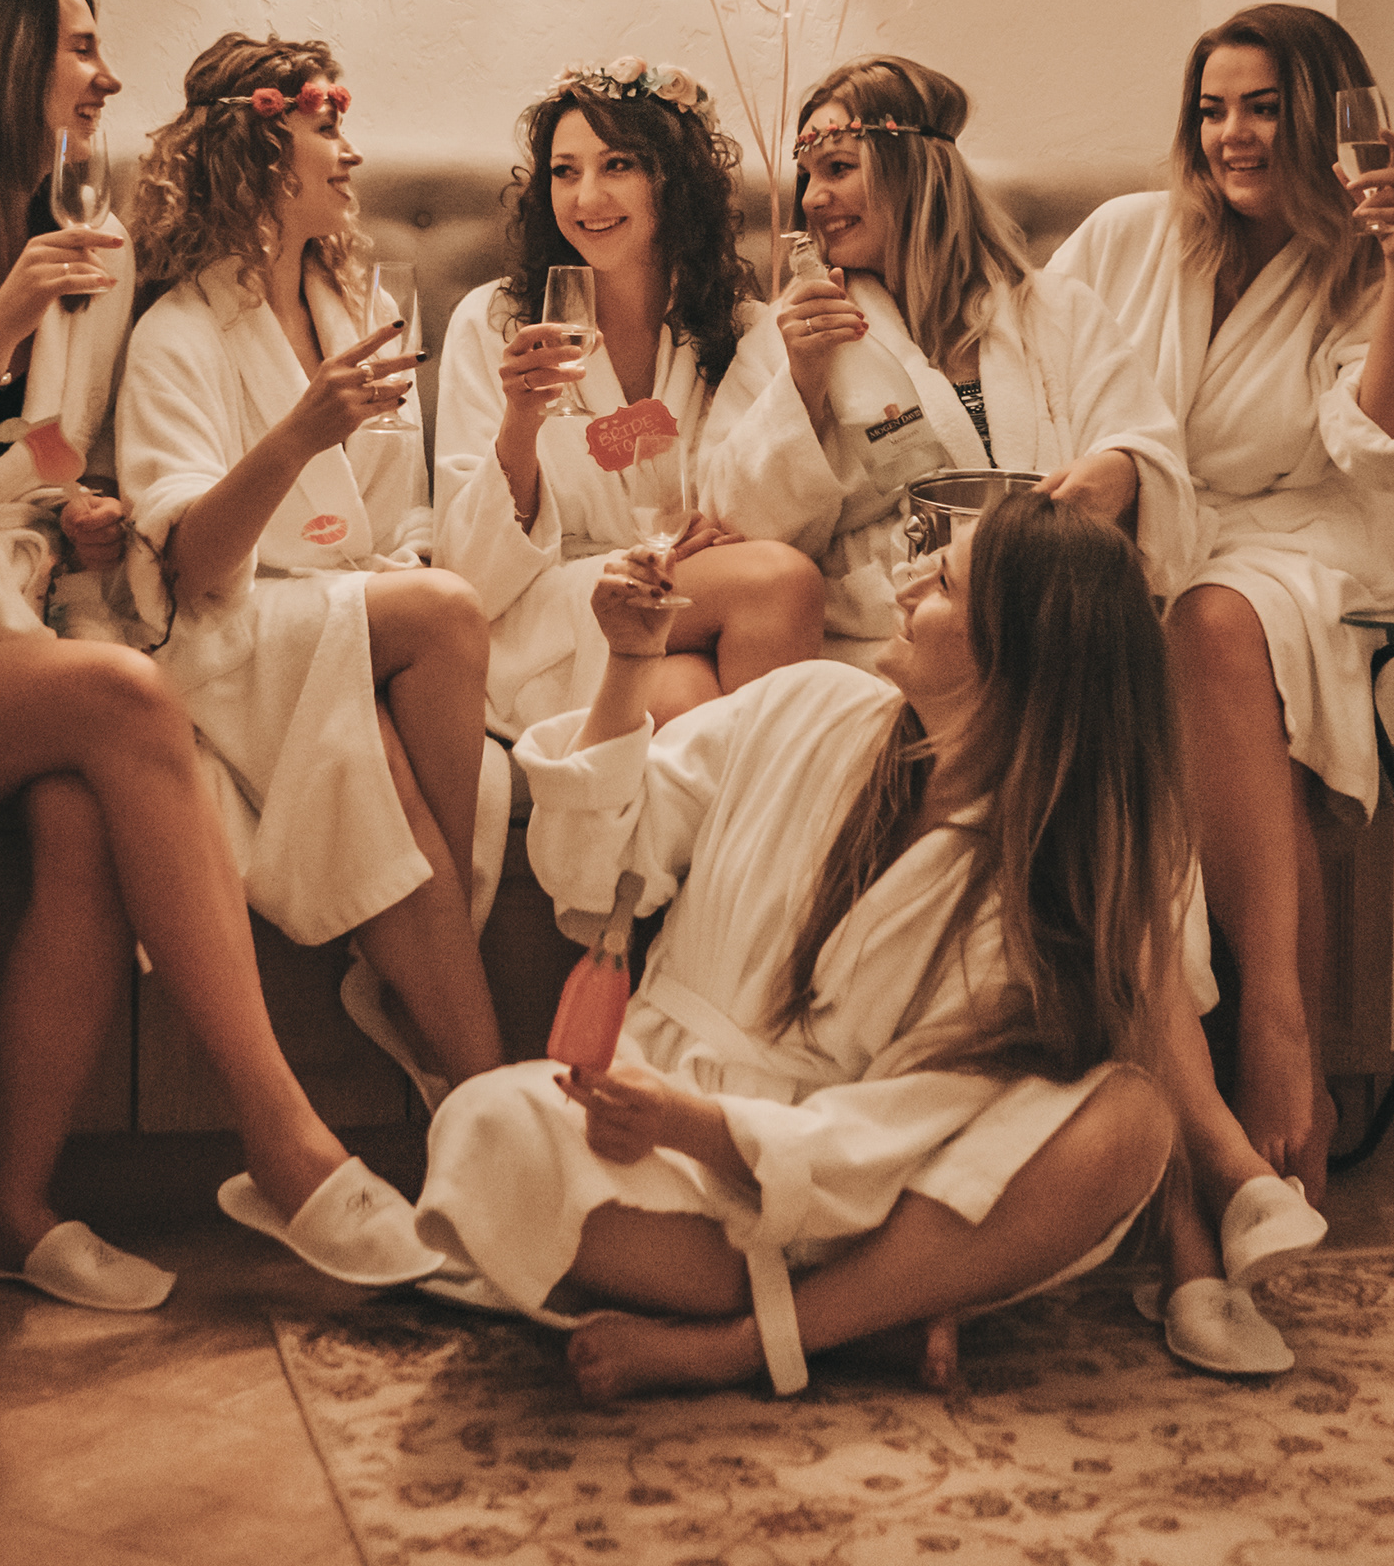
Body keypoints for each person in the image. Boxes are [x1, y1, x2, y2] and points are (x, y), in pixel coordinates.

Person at [0, 0, 448, 1311]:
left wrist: (78, 513)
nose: (108, 75)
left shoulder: (92, 252)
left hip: (17, 617)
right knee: (131, 706)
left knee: (84, 820)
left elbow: (52, 462)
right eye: (81, 48)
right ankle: (288, 1146)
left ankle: (10, 1210)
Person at [413, 494, 1307, 1401]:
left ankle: (745, 1344)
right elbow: (588, 873)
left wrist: (705, 1129)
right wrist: (629, 663)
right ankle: (872, 1315)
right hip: (675, 1148)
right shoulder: (807, 701)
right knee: (483, 1131)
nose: (907, 586)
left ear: (1012, 651)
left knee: (1129, 1127)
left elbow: (909, 1127)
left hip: (860, 1195)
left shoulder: (1036, 886)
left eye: (944, 582)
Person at [1050, 2, 1394, 1208]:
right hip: (1147, 536)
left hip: (1287, 542)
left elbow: (1379, 440)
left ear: (1324, 118)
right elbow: (1026, 363)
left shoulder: (1349, 269)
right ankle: (1280, 1084)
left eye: (1264, 108)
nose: (1234, 134)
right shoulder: (1128, 236)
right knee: (1189, 631)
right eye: (1214, 109)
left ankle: (1274, 1030)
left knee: (1214, 620)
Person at [116, 34, 509, 1101]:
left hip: (349, 618)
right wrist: (297, 434)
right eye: (328, 128)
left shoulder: (364, 311)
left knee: (391, 742)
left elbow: (405, 511)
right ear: (257, 151)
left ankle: (468, 1086)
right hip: (237, 632)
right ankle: (496, 1094)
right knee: (444, 613)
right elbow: (193, 570)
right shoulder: (178, 333)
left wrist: (389, 577)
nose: (352, 152)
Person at [701, 55, 1201, 643]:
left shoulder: (1059, 311)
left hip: (1055, 634)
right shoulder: (795, 332)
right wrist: (802, 387)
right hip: (882, 637)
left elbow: (1150, 453)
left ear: (915, 172)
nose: (811, 198)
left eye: (837, 168)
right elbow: (734, 526)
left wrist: (1123, 473)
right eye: (807, 176)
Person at [433, 57, 825, 732]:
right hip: (551, 612)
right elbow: (467, 571)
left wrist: (809, 378)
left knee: (685, 702)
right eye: (565, 171)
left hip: (686, 602)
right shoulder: (496, 321)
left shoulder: (738, 329)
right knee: (780, 581)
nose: (586, 198)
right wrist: (521, 421)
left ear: (676, 180)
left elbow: (764, 508)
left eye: (617, 165)